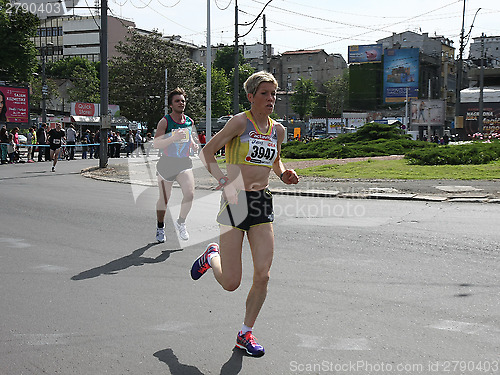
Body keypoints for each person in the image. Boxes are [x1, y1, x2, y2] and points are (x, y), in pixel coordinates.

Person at [190, 71, 299, 357]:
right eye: (264, 93)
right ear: (251, 97)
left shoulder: (278, 130)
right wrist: (223, 181)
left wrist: (284, 173)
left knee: (263, 275)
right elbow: (207, 152)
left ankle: (245, 333)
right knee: (231, 283)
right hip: (236, 201)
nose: (270, 99)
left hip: (262, 202)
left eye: (273, 94)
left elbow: (275, 159)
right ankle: (210, 257)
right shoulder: (240, 122)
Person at [153, 87, 199, 243]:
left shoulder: (188, 121)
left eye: (183, 101)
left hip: (184, 162)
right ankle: (160, 227)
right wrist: (172, 138)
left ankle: (181, 222)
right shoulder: (165, 121)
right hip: (167, 163)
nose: (181, 103)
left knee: (190, 194)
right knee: (164, 199)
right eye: (177, 101)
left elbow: (189, 137)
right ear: (171, 105)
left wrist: (193, 144)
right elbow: (156, 144)